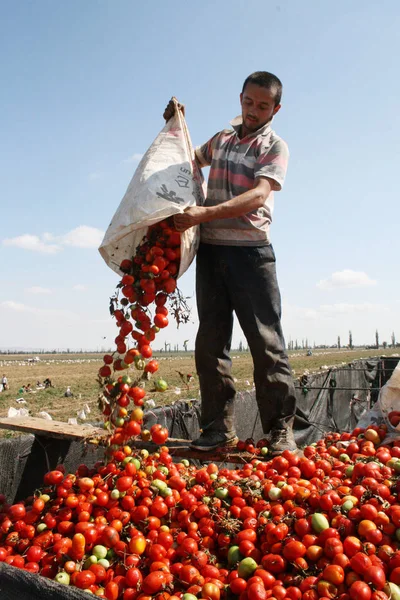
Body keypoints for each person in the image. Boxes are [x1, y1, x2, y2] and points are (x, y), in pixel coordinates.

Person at [163, 71, 297, 455]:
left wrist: (203, 215)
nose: (254, 111)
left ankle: (280, 432)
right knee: (210, 344)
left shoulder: (274, 146)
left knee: (266, 343)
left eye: (263, 106)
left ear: (276, 108)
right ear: (240, 98)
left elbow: (258, 196)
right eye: (249, 102)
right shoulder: (221, 140)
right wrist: (175, 126)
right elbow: (188, 158)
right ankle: (217, 430)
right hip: (212, 253)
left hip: (251, 254)